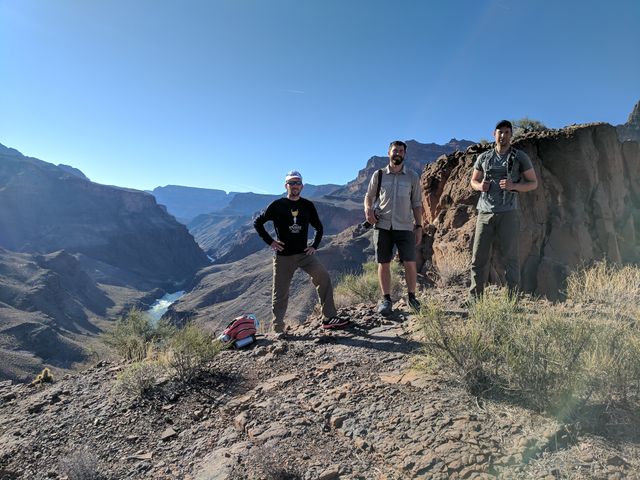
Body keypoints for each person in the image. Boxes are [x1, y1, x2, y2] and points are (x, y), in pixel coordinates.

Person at [254, 170, 349, 334]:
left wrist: (314, 246)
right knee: (280, 292)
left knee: (323, 277)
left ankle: (329, 318)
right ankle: (278, 329)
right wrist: (271, 242)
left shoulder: (307, 205)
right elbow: (258, 223)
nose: (295, 185)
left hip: (305, 255)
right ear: (286, 186)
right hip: (284, 256)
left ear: (302, 186)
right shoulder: (276, 205)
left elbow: (319, 228)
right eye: (291, 183)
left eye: (297, 183)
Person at [469, 120, 538, 298]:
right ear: (494, 134)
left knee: (511, 259)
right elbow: (473, 181)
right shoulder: (484, 157)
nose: (503, 135)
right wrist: (479, 187)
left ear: (511, 135)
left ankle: (512, 300)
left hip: (508, 213)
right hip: (484, 212)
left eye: (507, 132)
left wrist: (513, 185)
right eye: (500, 132)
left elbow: (533, 183)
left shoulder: (519, 156)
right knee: (478, 258)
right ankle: (475, 298)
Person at [364, 141, 423, 316]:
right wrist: (368, 210)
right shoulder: (379, 174)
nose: (397, 153)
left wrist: (419, 226)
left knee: (410, 262)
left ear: (404, 154)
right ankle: (386, 299)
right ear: (388, 152)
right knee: (383, 262)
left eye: (401, 151)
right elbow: (369, 196)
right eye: (395, 150)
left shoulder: (412, 176)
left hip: (405, 226)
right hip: (382, 225)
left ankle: (412, 297)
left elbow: (417, 203)